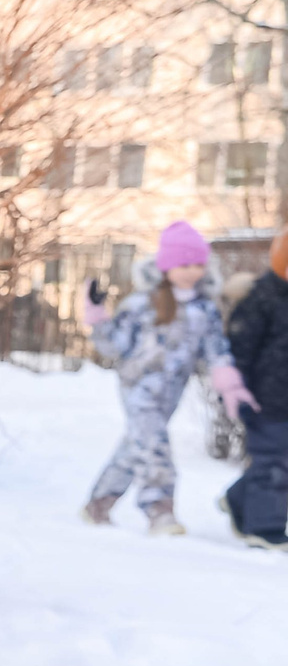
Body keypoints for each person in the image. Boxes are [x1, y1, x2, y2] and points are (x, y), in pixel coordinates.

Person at [79, 222, 255, 535]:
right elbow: (113, 345)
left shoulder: (205, 309)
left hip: (172, 391)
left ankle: (99, 504)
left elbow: (215, 349)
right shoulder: (140, 304)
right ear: (166, 265)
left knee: (137, 446)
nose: (192, 271)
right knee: (155, 446)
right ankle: (159, 510)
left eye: (198, 264)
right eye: (185, 264)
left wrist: (227, 380)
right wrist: (96, 316)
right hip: (138, 387)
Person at [221, 230, 288, 549]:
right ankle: (264, 528)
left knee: (276, 462)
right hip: (264, 399)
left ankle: (237, 498)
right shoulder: (261, 298)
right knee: (272, 461)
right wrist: (237, 389)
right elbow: (240, 349)